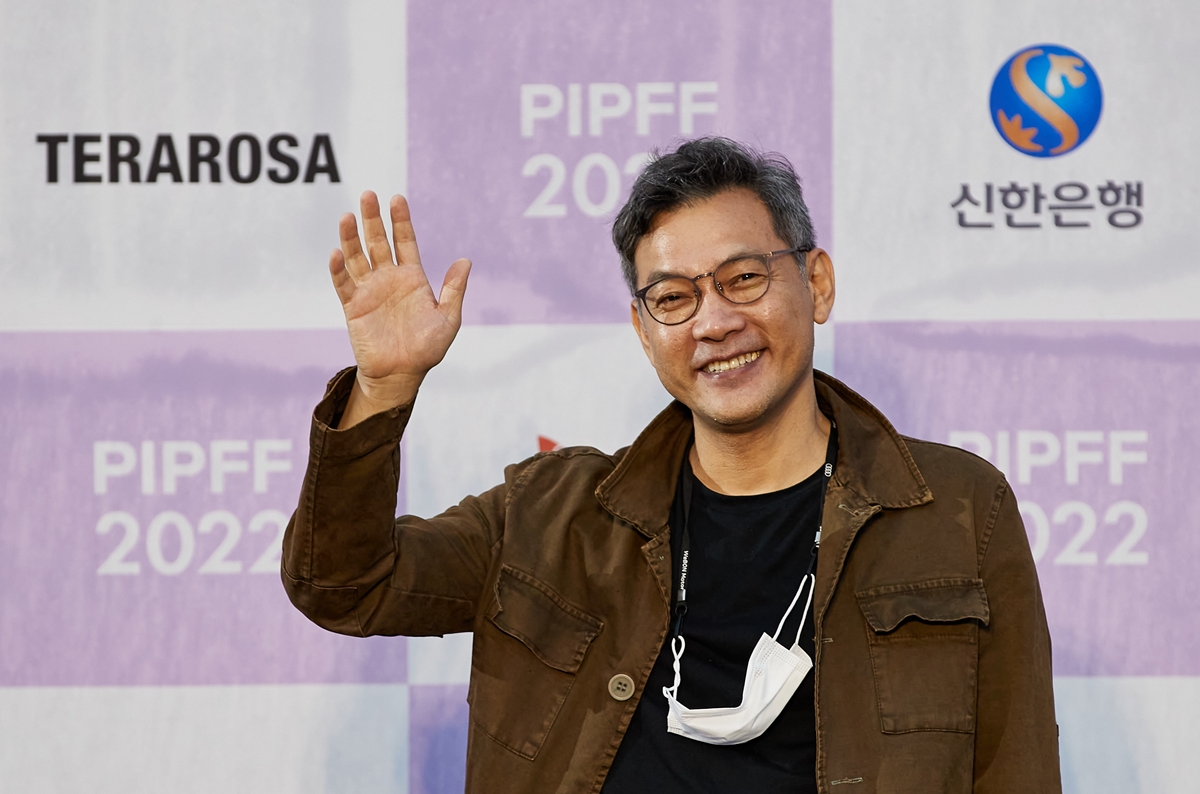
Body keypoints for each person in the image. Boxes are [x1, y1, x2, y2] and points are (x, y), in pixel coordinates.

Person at [282, 137, 1061, 793]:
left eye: (744, 278)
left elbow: (1016, 768)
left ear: (816, 283)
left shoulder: (956, 509)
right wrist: (385, 388)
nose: (714, 323)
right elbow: (344, 586)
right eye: (674, 298)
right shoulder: (547, 513)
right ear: (643, 328)